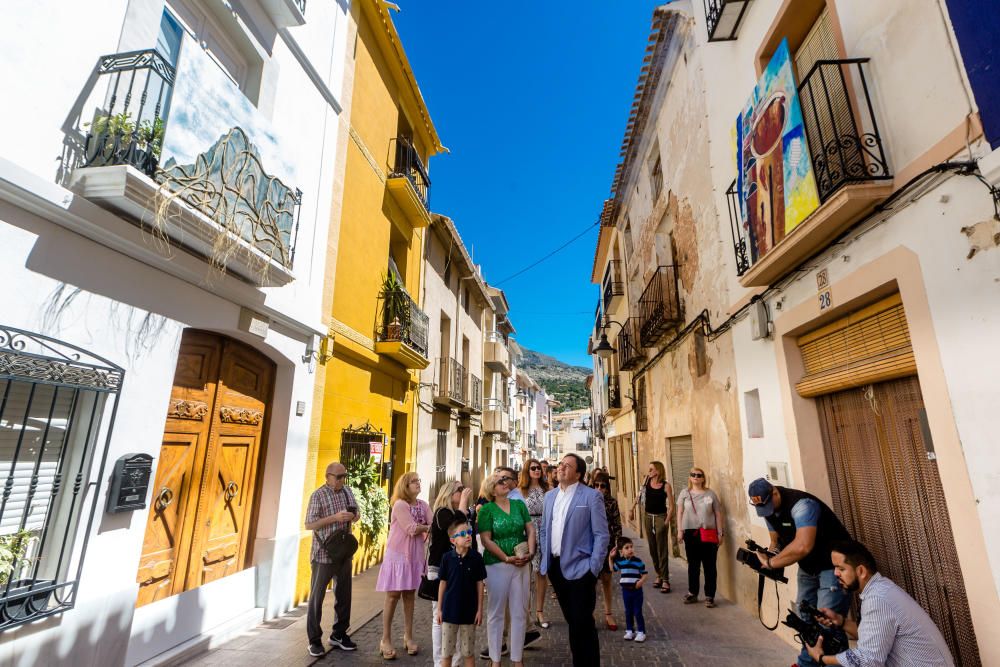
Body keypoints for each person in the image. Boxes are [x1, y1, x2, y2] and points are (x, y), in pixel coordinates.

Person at [748, 478, 852, 667]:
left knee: (828, 623)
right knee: (804, 620)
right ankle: (806, 663)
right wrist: (769, 554)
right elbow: (776, 541)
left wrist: (771, 563)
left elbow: (803, 546)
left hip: (833, 566)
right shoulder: (768, 509)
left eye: (768, 505)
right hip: (808, 567)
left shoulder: (802, 505)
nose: (767, 512)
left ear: (775, 492)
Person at [805, 540, 955, 666]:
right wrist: (841, 622)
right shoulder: (881, 588)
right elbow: (875, 638)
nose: (835, 574)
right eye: (835, 568)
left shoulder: (878, 599)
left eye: (841, 568)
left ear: (861, 571)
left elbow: (868, 661)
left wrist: (820, 657)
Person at [540, 453, 610, 667]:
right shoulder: (549, 496)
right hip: (556, 569)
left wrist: (593, 568)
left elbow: (601, 534)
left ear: (578, 474)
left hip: (581, 570)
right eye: (561, 464)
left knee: (583, 623)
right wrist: (545, 558)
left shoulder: (591, 496)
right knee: (573, 622)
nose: (561, 468)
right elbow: (544, 529)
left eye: (567, 466)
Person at [478, 470, 536, 667]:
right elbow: (486, 539)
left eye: (505, 480)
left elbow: (530, 529)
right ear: (491, 490)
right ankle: (495, 658)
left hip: (521, 563)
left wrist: (530, 552)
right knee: (496, 612)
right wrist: (506, 558)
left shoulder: (519, 505)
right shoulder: (486, 510)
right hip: (497, 564)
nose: (504, 482)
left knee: (519, 610)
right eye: (499, 481)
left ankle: (517, 658)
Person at [304, 462, 360, 657]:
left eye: (344, 476)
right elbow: (309, 524)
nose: (342, 480)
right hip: (322, 554)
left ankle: (339, 634)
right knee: (317, 598)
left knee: (344, 595)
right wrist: (335, 518)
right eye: (339, 477)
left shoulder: (347, 492)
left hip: (343, 552)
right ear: (328, 476)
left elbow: (357, 513)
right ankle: (314, 640)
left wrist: (353, 517)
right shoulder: (317, 495)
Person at [376, 472, 431, 660]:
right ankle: (385, 639)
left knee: (409, 596)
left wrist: (425, 526)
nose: (417, 483)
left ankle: (408, 637)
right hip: (398, 556)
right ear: (405, 486)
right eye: (413, 481)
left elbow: (432, 523)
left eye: (418, 480)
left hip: (414, 556)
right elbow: (411, 528)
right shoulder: (400, 505)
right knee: (392, 596)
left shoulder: (423, 505)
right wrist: (424, 527)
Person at [429, 480, 473, 666]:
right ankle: (440, 662)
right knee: (440, 616)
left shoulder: (456, 512)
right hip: (440, 570)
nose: (463, 492)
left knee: (456, 614)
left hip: (458, 569)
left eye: (463, 489)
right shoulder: (442, 513)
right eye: (459, 490)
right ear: (449, 493)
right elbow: (458, 528)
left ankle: (453, 662)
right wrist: (464, 502)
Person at [436, 519, 488, 667]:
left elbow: (480, 584)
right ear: (453, 540)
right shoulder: (446, 558)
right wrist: (439, 610)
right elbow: (442, 583)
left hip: (469, 613)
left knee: (468, 653)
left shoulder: (476, 558)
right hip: (449, 612)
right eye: (463, 534)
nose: (468, 536)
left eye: (469, 532)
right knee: (446, 653)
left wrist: (479, 610)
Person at [676, 467, 725, 608]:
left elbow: (717, 514)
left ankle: (710, 596)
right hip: (691, 533)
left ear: (703, 478)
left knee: (710, 565)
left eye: (699, 475)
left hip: (708, 532)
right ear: (690, 477)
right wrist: (680, 531)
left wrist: (720, 533)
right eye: (693, 475)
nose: (696, 477)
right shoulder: (684, 493)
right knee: (693, 565)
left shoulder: (710, 494)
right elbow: (679, 513)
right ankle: (693, 593)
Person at [628, 461, 673, 592]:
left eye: (651, 469)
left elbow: (671, 506)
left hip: (660, 518)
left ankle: (665, 580)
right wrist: (631, 509)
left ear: (657, 471)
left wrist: (666, 522)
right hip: (648, 517)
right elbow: (638, 496)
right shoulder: (646, 483)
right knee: (653, 549)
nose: (649, 472)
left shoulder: (666, 486)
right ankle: (658, 574)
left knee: (662, 549)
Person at [519, 459, 551, 630]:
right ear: (527, 471)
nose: (537, 470)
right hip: (527, 530)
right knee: (525, 573)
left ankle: (540, 611)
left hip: (543, 528)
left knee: (541, 572)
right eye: (533, 468)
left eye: (538, 468)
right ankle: (526, 613)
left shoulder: (548, 489)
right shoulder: (520, 491)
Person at [592, 471, 622, 630]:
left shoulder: (612, 502)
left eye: (602, 486)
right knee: (590, 581)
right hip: (591, 546)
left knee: (607, 579)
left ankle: (608, 613)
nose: (599, 489)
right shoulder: (588, 500)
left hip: (608, 544)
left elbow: (617, 525)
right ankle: (589, 614)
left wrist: (618, 546)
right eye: (596, 485)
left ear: (607, 488)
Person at [608, 537, 648, 642]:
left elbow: (645, 574)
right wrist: (610, 558)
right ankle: (630, 630)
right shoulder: (620, 562)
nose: (630, 549)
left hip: (636, 591)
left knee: (637, 611)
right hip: (625, 591)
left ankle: (641, 632)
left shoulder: (638, 562)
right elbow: (612, 569)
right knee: (628, 611)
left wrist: (641, 582)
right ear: (621, 551)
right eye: (627, 548)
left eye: (631, 547)